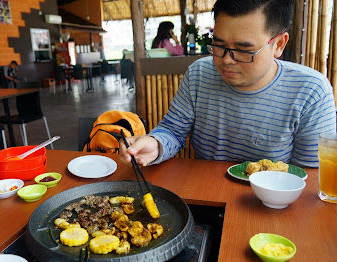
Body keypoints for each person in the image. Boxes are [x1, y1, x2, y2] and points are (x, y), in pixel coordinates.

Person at [120, 0, 336, 168]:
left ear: (278, 44)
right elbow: (173, 131)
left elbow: (309, 174)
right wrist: (155, 145)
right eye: (219, 45)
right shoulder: (200, 73)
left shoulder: (311, 91)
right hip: (207, 194)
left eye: (243, 50)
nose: (226, 60)